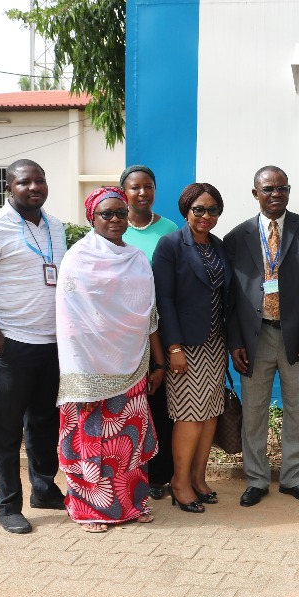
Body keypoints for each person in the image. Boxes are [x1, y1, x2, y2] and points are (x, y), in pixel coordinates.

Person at [0, 159, 68, 535]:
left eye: (40, 180)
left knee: (43, 424)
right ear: (10, 188)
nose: (34, 187)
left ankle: (44, 490)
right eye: (25, 182)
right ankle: (7, 505)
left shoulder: (54, 226)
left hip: (50, 346)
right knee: (5, 430)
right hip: (10, 347)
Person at [55, 187, 165, 533]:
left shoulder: (136, 258)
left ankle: (131, 503)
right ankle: (90, 509)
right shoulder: (78, 257)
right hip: (88, 364)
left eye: (121, 213)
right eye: (108, 214)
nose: (116, 219)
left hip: (131, 360)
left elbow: (148, 313)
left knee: (128, 435)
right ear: (93, 217)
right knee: (93, 438)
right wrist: (85, 361)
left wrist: (157, 362)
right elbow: (70, 316)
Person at [225, 166, 299, 507]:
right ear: (256, 193)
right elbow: (230, 297)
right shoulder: (236, 238)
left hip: (296, 337)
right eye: (268, 189)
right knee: (254, 411)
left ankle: (293, 478)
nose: (276, 194)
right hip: (255, 338)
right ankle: (255, 479)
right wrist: (235, 341)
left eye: (282, 188)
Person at [152, 183, 233, 514]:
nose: (206, 215)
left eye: (213, 209)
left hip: (215, 343)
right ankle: (180, 483)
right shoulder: (170, 245)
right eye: (199, 209)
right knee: (189, 415)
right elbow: (164, 299)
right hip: (185, 345)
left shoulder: (218, 246)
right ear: (186, 210)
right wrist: (173, 347)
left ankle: (198, 479)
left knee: (211, 413)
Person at [120, 164, 178, 501]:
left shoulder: (169, 229)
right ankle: (126, 472)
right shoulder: (113, 227)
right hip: (123, 331)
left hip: (161, 326)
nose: (143, 193)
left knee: (158, 405)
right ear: (124, 192)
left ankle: (158, 475)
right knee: (126, 405)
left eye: (149, 187)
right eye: (135, 187)